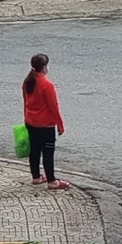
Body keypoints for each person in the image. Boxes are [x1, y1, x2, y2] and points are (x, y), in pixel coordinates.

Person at [22, 54, 68, 189]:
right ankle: (52, 181)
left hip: (30, 121)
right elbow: (53, 106)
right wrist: (60, 124)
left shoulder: (27, 82)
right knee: (48, 152)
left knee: (34, 150)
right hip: (45, 124)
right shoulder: (46, 85)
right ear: (44, 67)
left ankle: (36, 177)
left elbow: (25, 101)